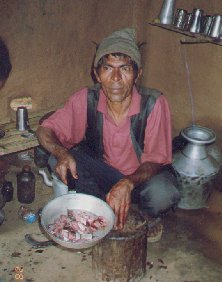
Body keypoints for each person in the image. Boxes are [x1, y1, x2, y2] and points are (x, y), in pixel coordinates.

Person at [36, 28, 180, 242]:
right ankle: (101, 209)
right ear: (97, 73)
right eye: (107, 68)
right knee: (54, 158)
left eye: (125, 69)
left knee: (163, 194)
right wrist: (61, 152)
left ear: (137, 74)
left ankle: (142, 215)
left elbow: (156, 160)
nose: (115, 78)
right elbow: (45, 130)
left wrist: (128, 183)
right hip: (103, 174)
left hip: (140, 179)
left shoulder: (154, 104)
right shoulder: (86, 99)